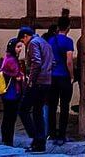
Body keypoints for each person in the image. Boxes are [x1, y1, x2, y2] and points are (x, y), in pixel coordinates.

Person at [18, 25, 53, 153]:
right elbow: (52, 62)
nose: (24, 43)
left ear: (26, 36)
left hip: (37, 82)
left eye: (23, 40)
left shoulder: (33, 43)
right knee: (38, 111)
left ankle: (36, 137)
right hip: (47, 81)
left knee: (23, 109)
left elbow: (36, 63)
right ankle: (39, 143)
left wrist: (31, 81)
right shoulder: (44, 42)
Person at [43, 16, 75, 145]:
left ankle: (51, 132)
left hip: (52, 76)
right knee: (64, 106)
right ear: (68, 27)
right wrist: (72, 75)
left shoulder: (50, 40)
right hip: (63, 76)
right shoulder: (68, 41)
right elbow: (69, 61)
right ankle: (62, 133)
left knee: (52, 105)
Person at [0, 37, 24, 148]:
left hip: (7, 92)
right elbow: (17, 76)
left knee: (7, 116)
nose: (20, 49)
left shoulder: (7, 58)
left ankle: (6, 139)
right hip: (11, 92)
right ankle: (8, 139)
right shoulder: (12, 60)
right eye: (18, 47)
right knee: (10, 117)